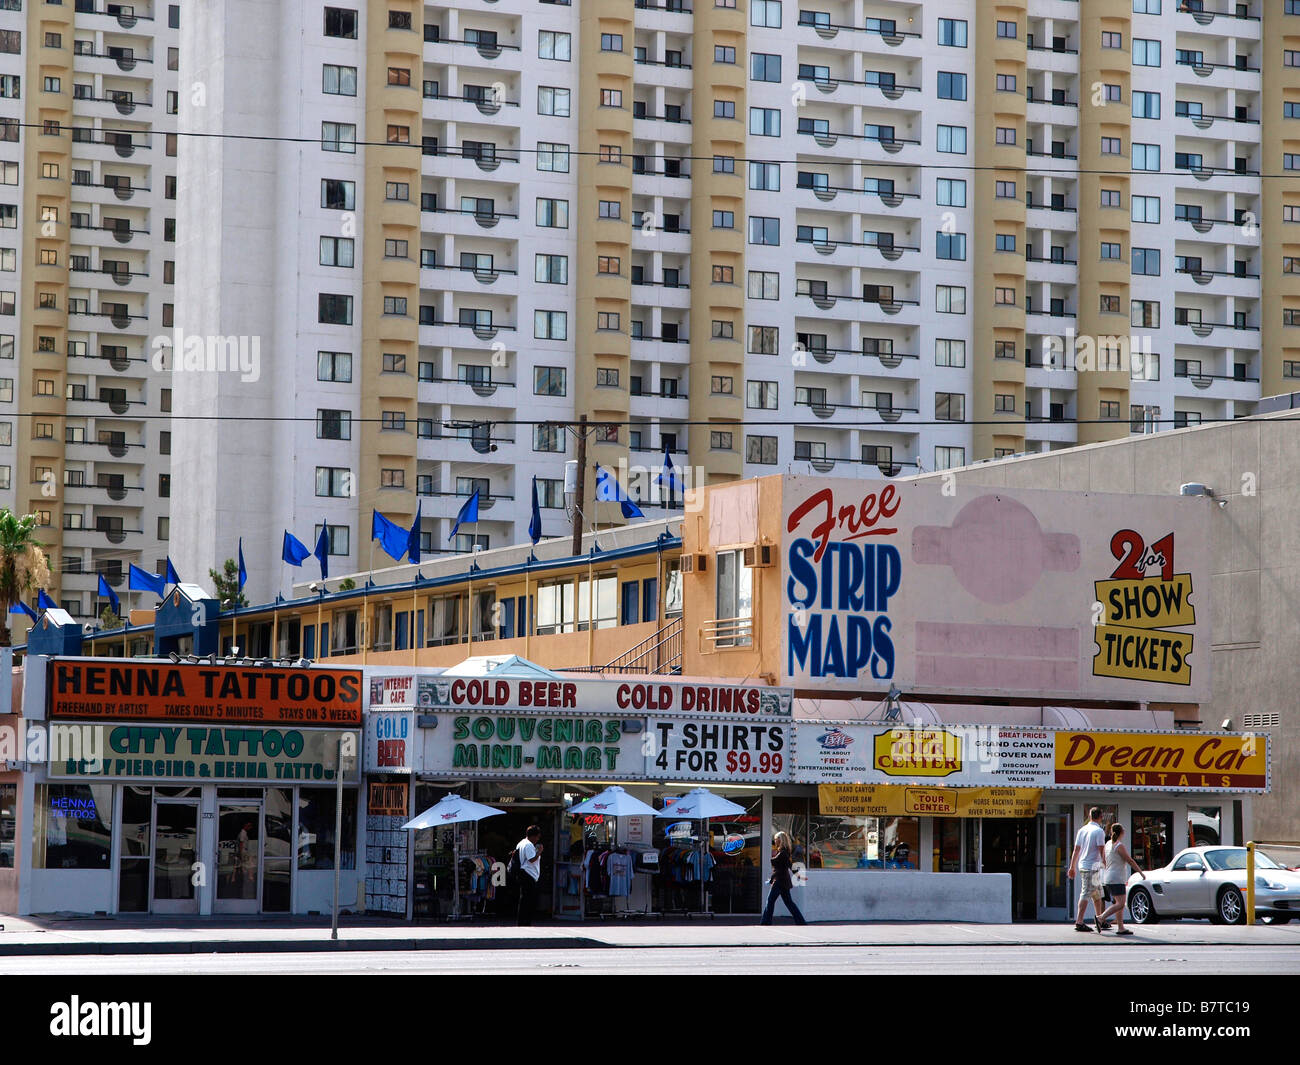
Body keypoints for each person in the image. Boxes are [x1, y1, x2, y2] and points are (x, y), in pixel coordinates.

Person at [1067, 807, 1109, 933]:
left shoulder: (1082, 830)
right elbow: (1101, 848)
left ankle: (1099, 919)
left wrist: (1072, 866)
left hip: (1084, 865)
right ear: (1100, 817)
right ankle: (1079, 921)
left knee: (1097, 893)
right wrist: (1105, 863)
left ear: (1090, 816)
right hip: (1093, 866)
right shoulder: (1099, 831)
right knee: (1086, 892)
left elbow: (1076, 850)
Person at [1099, 824, 1145, 936]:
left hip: (1109, 877)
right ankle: (1100, 918)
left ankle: (1120, 927)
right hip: (1117, 878)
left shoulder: (1108, 844)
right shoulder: (1119, 845)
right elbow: (1130, 860)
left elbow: (1104, 860)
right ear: (1121, 833)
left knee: (1118, 902)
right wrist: (1140, 872)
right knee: (1120, 904)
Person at [760, 831, 806, 926]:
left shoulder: (783, 853)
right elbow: (788, 866)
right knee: (789, 903)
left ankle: (766, 922)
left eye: (776, 839)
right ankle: (801, 921)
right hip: (783, 881)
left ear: (780, 840)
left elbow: (786, 867)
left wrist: (798, 875)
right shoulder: (783, 852)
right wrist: (798, 875)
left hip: (779, 881)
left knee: (770, 901)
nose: (775, 841)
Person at [515, 825, 543, 926]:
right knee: (528, 900)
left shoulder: (521, 843)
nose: (537, 839)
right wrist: (539, 852)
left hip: (524, 874)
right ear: (533, 836)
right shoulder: (528, 845)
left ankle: (522, 921)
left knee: (524, 899)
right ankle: (525, 922)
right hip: (528, 874)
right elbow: (532, 859)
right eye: (537, 837)